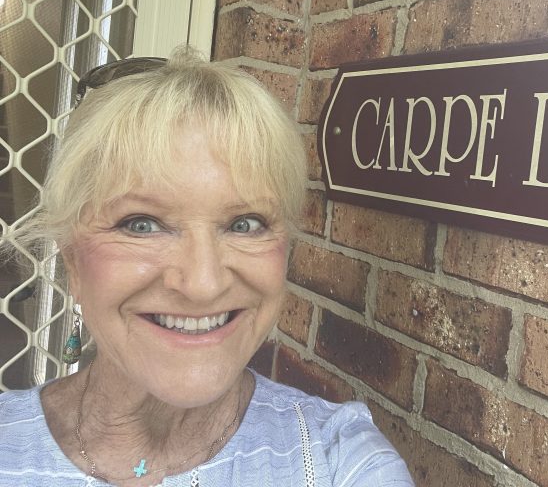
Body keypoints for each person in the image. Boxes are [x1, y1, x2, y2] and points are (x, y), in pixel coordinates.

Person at [0, 49, 415, 487]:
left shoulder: (339, 460)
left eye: (244, 224)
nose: (203, 284)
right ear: (73, 261)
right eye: (142, 225)